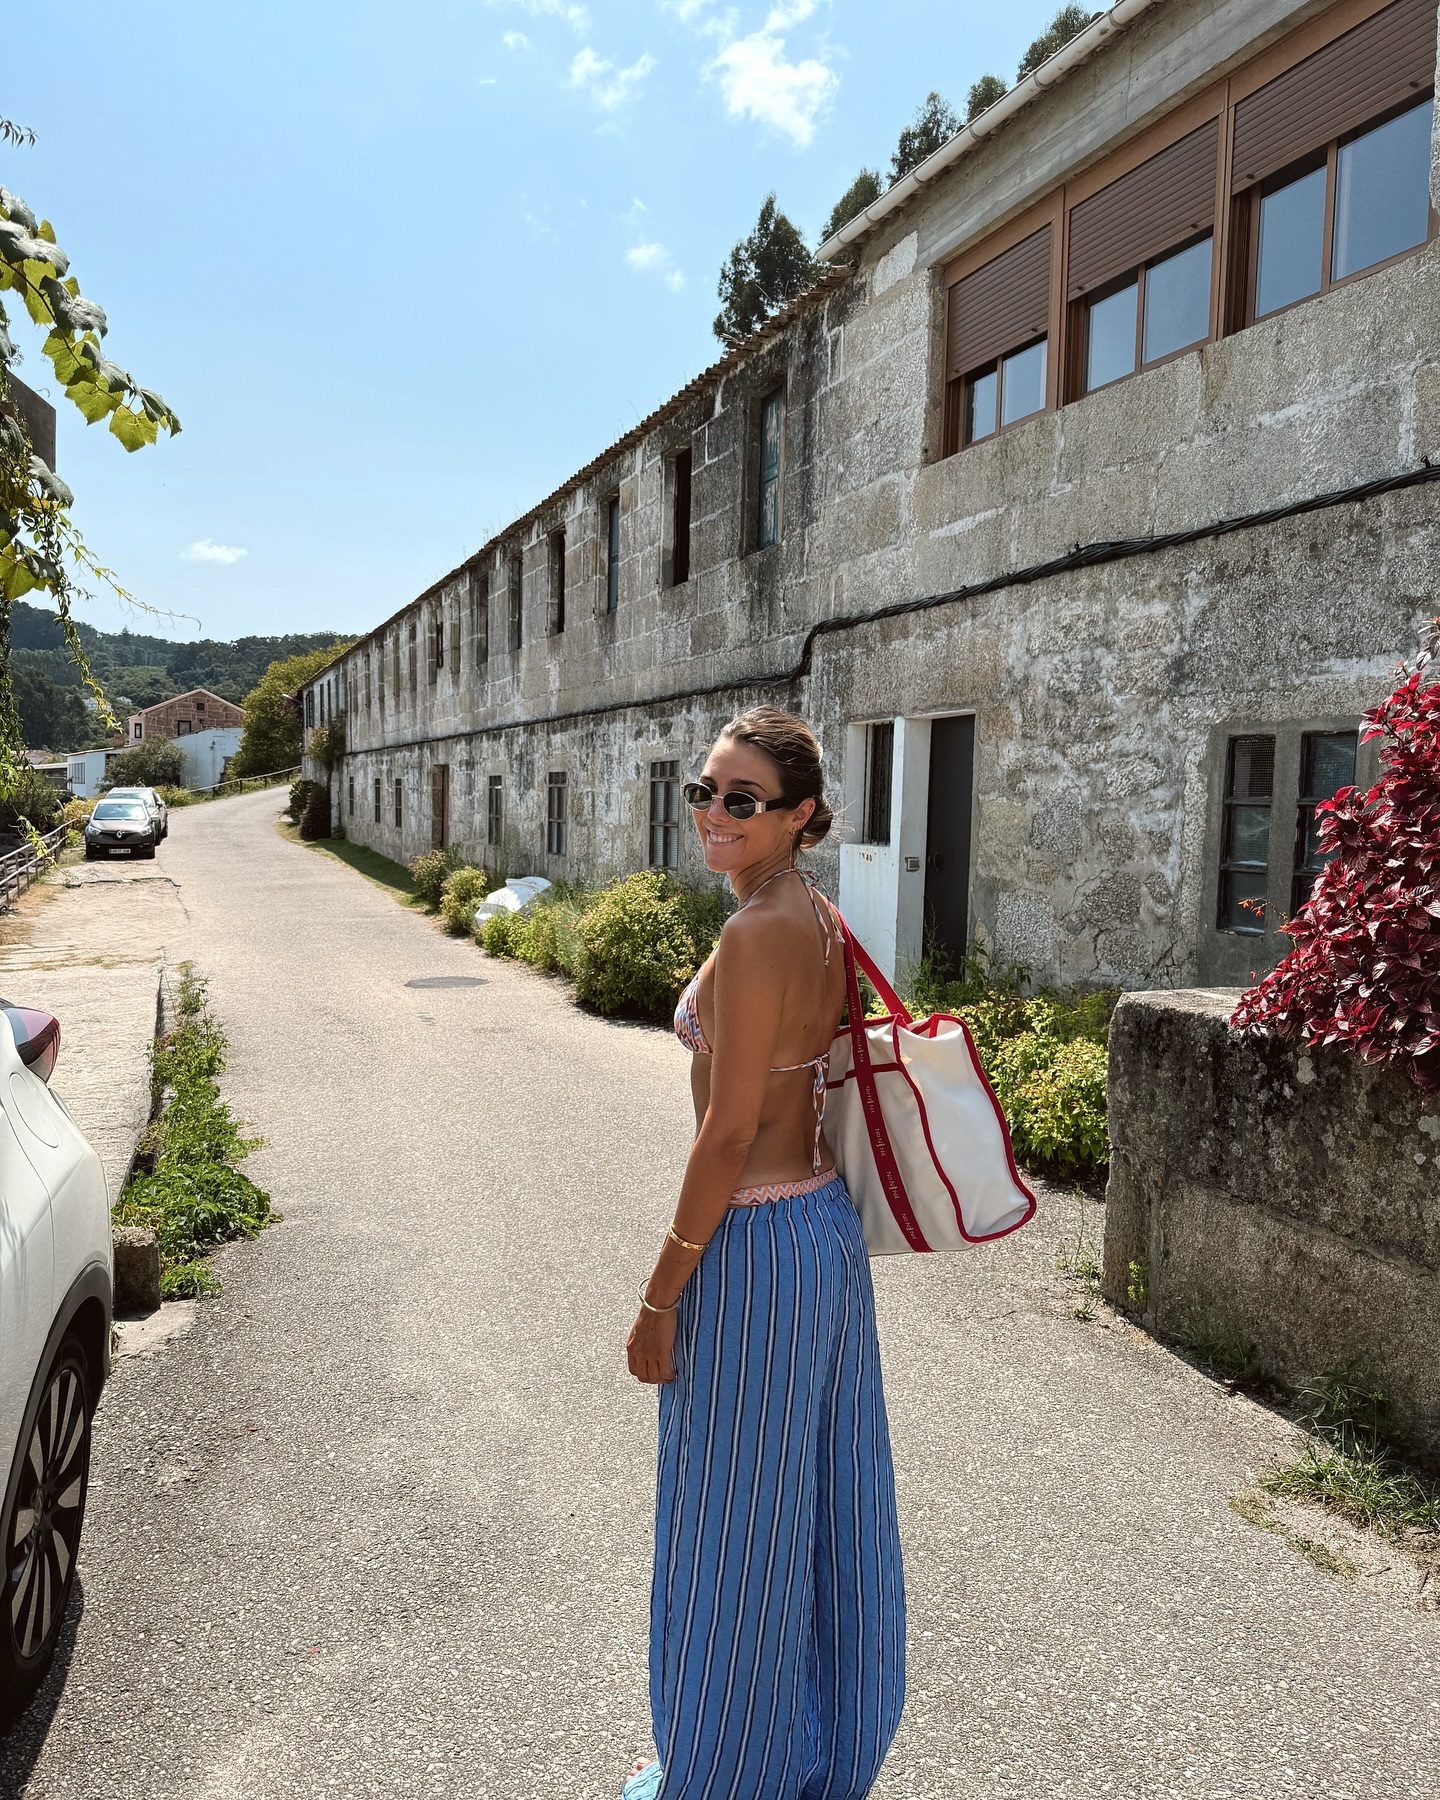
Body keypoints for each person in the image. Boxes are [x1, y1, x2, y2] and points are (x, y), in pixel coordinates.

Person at [624, 706, 905, 1800]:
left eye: (742, 799)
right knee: (820, 1509)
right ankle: (804, 1755)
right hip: (817, 1233)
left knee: (730, 1533)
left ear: (799, 814)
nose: (713, 811)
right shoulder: (811, 915)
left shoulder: (755, 934)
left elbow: (728, 1134)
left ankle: (725, 1775)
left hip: (754, 1246)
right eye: (704, 791)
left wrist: (659, 1297)